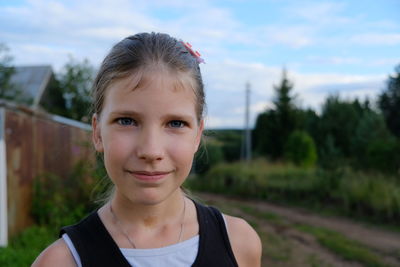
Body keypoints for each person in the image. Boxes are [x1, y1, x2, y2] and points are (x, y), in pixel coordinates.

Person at [32, 32, 262, 267]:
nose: (151, 151)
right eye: (127, 121)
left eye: (175, 123)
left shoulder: (240, 244)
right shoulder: (61, 262)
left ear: (197, 135)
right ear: (98, 132)